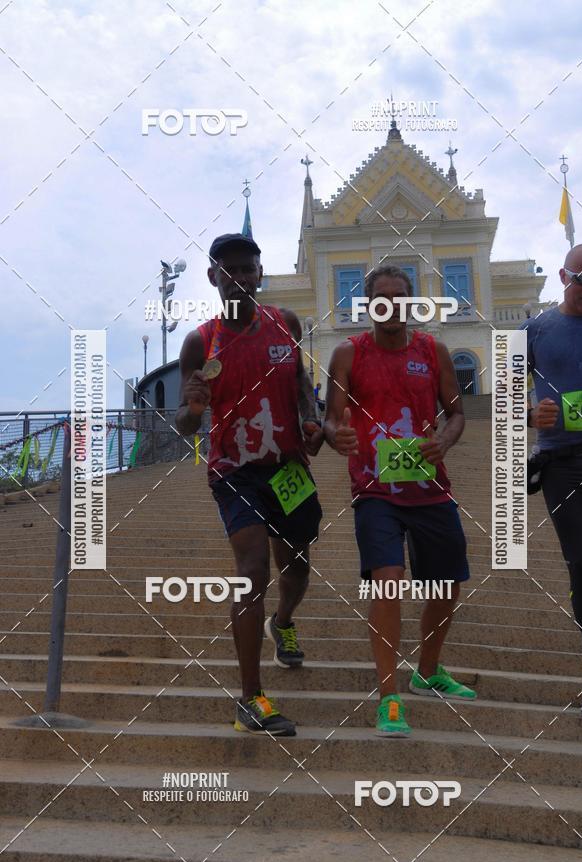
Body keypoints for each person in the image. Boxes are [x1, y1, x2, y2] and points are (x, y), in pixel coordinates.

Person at [176, 233, 324, 736]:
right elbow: (184, 424)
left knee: (298, 565)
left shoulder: (287, 324)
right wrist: (193, 408)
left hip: (288, 467)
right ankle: (251, 698)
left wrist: (312, 417)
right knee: (251, 570)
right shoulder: (202, 341)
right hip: (234, 470)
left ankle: (282, 621)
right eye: (230, 270)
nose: (241, 278)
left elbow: (303, 384)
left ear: (261, 273)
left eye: (250, 269)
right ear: (214, 276)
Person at [324, 264, 475, 737]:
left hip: (430, 486)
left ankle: (428, 671)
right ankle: (389, 696)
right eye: (381, 297)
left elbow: (455, 414)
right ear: (368, 305)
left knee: (446, 585)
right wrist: (338, 435)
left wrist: (444, 442)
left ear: (412, 301)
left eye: (400, 295)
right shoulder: (348, 354)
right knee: (387, 581)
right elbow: (330, 419)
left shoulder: (434, 351)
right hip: (375, 489)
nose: (391, 304)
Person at [522, 242, 582, 716]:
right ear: (563, 277)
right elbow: (501, 400)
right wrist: (531, 412)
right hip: (562, 464)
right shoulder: (533, 330)